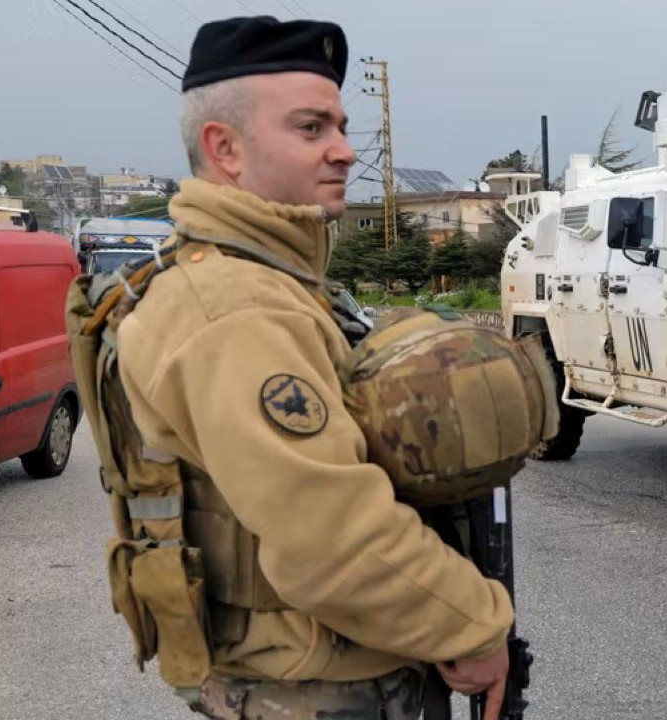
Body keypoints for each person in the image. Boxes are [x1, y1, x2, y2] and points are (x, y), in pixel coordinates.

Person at [100, 16, 512, 720]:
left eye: (342, 127)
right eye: (312, 128)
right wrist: (472, 624)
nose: (346, 152)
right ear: (223, 147)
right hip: (315, 687)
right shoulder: (235, 308)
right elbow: (329, 539)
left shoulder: (262, 279)